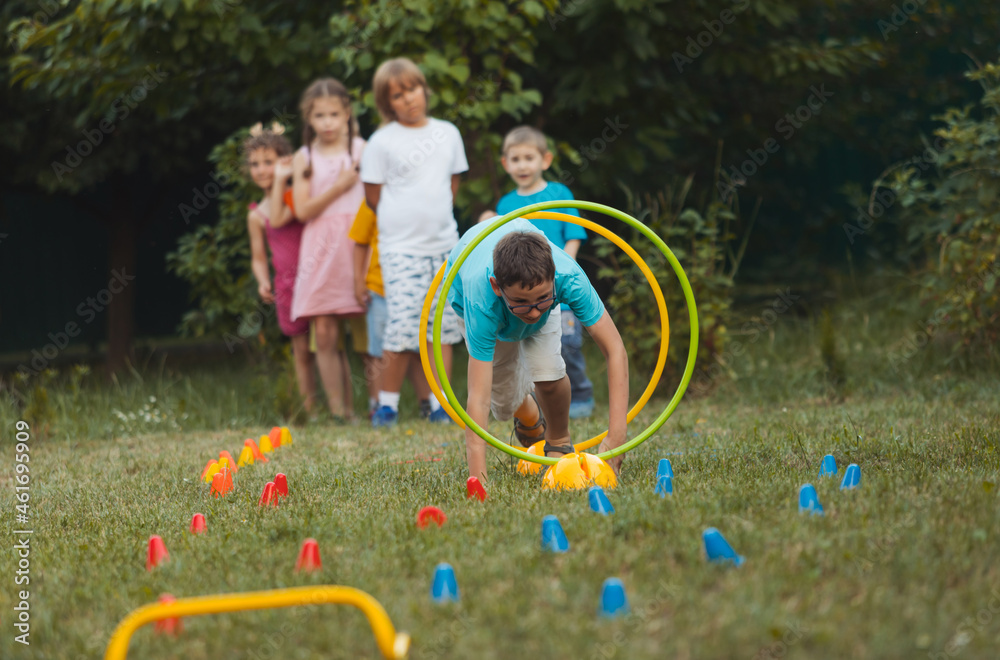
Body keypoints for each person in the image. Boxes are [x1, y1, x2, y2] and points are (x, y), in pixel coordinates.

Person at [446, 218, 629, 484]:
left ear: (553, 278)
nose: (533, 312)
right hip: (481, 302)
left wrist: (616, 439)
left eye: (541, 300)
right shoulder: (481, 299)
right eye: (522, 302)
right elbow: (478, 397)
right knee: (503, 401)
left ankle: (558, 441)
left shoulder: (568, 278)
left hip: (527, 292)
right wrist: (478, 479)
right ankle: (530, 417)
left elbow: (615, 350)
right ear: (497, 286)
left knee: (550, 372)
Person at [360, 57, 467, 426]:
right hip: (400, 250)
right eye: (398, 94)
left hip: (443, 247)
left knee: (444, 327)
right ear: (387, 102)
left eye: (413, 88)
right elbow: (373, 196)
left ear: (425, 88)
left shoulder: (448, 133)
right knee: (403, 326)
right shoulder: (380, 141)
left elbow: (451, 187)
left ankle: (442, 406)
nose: (409, 99)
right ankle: (386, 406)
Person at [494, 125, 596, 419]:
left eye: (529, 157)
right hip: (526, 293)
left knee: (569, 344)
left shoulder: (559, 193)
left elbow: (574, 233)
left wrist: (566, 271)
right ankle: (539, 402)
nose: (522, 165)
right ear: (505, 164)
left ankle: (581, 395)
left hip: (559, 286)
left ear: (546, 160)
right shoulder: (506, 204)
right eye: (515, 159)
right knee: (531, 347)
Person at [290, 78, 370, 423]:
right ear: (308, 118)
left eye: (333, 114)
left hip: (359, 243)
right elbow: (303, 210)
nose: (327, 122)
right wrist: (339, 186)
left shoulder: (363, 150)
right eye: (319, 115)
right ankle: (340, 412)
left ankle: (379, 407)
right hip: (320, 250)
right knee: (324, 330)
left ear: (347, 114)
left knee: (369, 329)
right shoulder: (303, 156)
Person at [244, 123, 317, 417]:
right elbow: (259, 256)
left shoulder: (296, 196)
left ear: (285, 162)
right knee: (301, 350)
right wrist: (263, 281)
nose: (262, 170)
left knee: (328, 343)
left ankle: (343, 408)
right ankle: (311, 410)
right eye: (254, 164)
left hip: (316, 278)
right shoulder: (256, 214)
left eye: (268, 162)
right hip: (287, 288)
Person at [349, 201, 435, 419]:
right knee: (379, 351)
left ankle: (428, 404)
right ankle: (378, 405)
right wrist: (359, 281)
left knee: (418, 350)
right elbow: (359, 241)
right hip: (380, 290)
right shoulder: (373, 200)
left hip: (415, 289)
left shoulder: (420, 198)